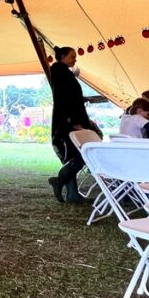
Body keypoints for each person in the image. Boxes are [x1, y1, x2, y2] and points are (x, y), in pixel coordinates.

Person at [48, 46, 92, 204]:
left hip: (67, 120)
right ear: (63, 56)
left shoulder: (62, 72)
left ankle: (73, 194)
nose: (75, 59)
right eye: (72, 56)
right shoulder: (61, 72)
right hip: (70, 121)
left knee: (72, 156)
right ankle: (59, 181)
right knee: (81, 155)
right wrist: (73, 122)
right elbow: (64, 99)